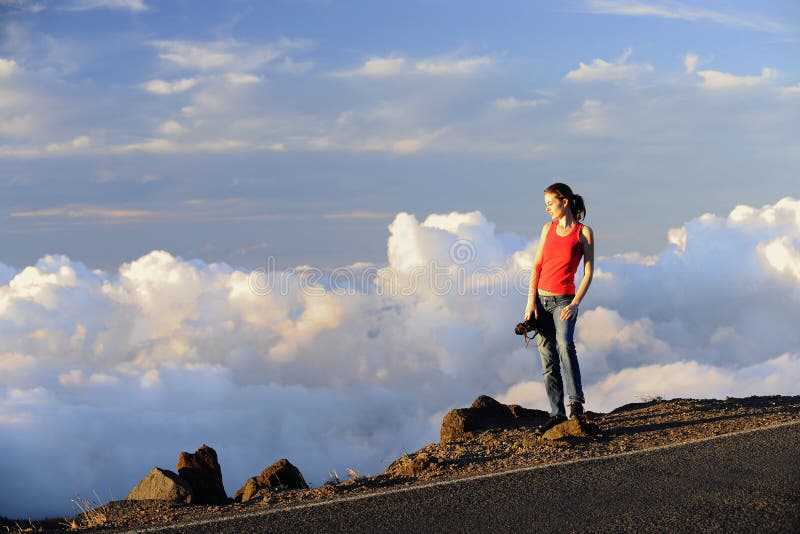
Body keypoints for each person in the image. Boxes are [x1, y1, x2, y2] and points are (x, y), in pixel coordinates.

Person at [524, 182, 594, 434]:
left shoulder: (583, 233)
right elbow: (536, 267)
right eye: (546, 206)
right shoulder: (547, 229)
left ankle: (576, 405)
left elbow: (588, 272)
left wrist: (576, 304)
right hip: (541, 301)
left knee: (565, 345)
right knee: (548, 358)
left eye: (550, 204)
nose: (547, 210)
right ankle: (556, 414)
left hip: (565, 300)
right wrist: (530, 303)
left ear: (564, 202)